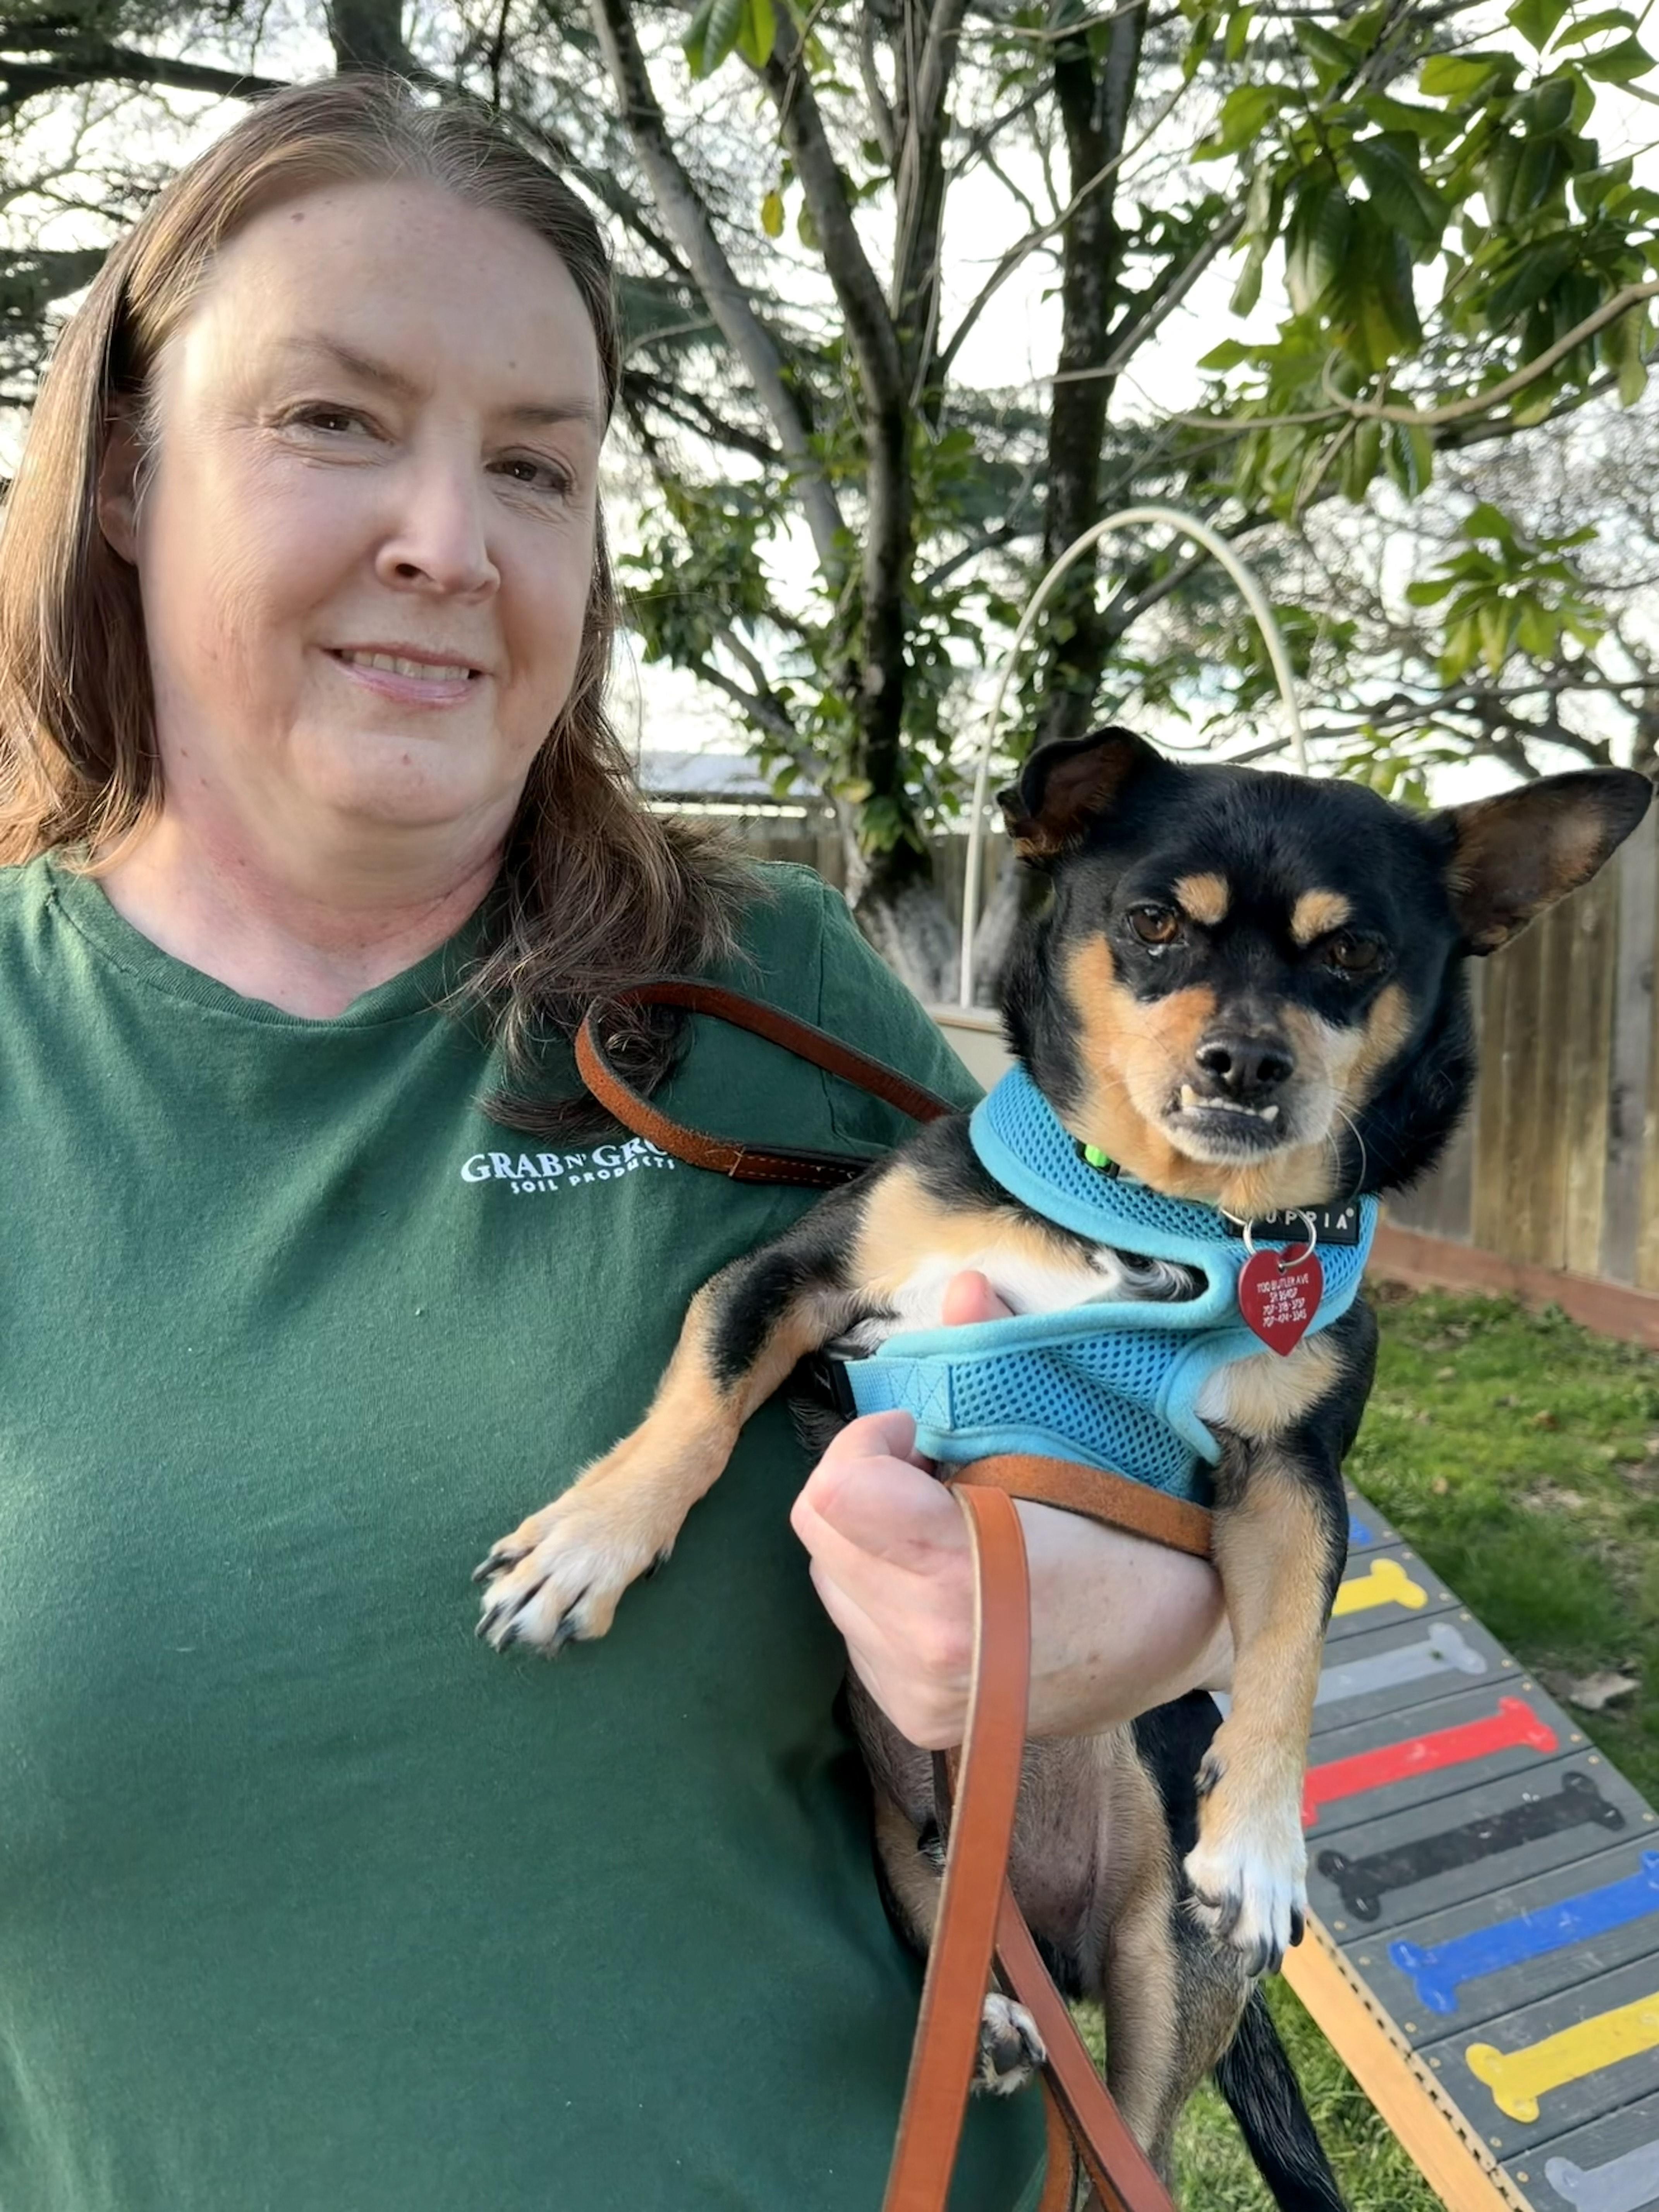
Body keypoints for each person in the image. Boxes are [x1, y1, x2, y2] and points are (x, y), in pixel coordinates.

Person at [0, 76, 1228, 2212]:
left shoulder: (768, 997)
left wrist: (1134, 1600)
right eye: (334, 421)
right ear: (123, 475)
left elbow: (1225, 1435)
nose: (450, 544)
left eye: (539, 468)